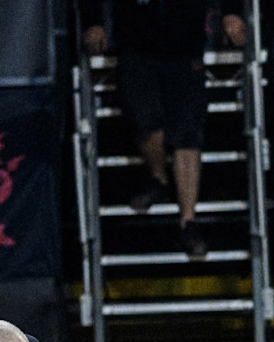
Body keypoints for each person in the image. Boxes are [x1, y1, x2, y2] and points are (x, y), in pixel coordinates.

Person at [82, 0, 246, 259]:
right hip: (137, 40)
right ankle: (158, 177)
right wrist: (93, 22)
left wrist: (232, 13)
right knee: (145, 120)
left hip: (185, 40)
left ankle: (188, 222)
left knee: (188, 134)